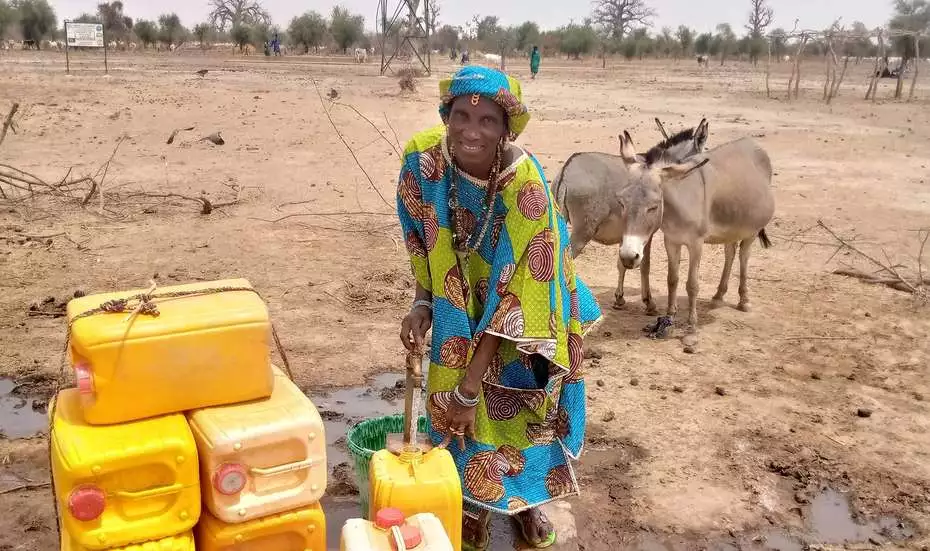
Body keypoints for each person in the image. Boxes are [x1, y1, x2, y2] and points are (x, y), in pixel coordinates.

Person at [396, 66, 601, 550]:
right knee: (451, 396)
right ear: (446, 117)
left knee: (519, 395)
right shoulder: (422, 161)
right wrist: (423, 301)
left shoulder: (524, 185)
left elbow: (516, 304)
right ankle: (476, 502)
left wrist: (470, 387)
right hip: (459, 291)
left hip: (533, 300)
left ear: (506, 128)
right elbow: (420, 235)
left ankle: (529, 504)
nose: (472, 130)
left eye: (487, 120)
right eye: (461, 116)